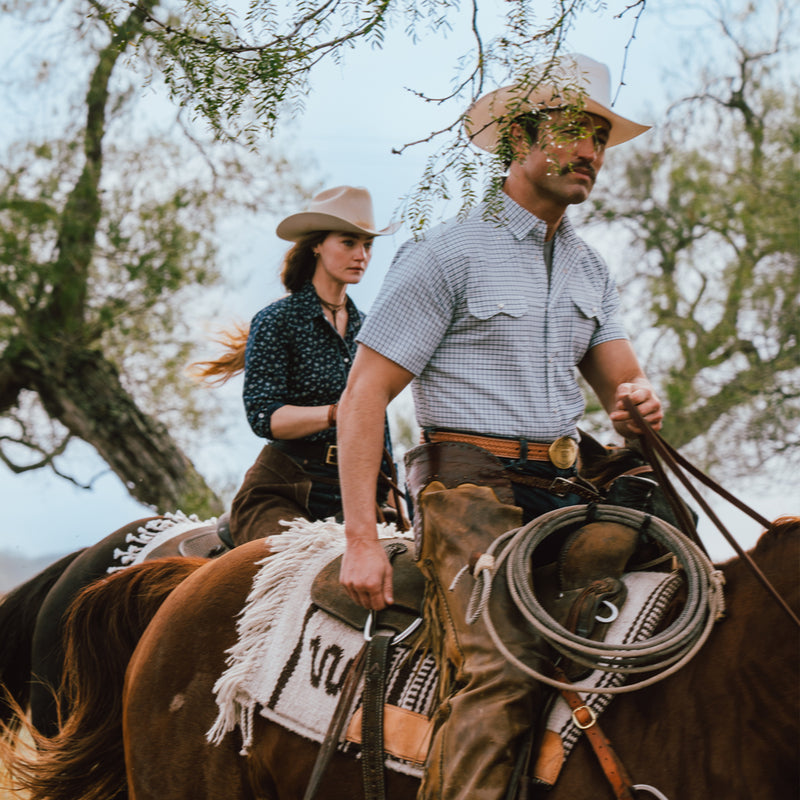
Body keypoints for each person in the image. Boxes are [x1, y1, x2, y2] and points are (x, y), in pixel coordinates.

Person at [336, 54, 663, 799]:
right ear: (519, 138)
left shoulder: (590, 270)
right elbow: (363, 396)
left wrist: (641, 408)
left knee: (687, 588)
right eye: (575, 131)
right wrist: (361, 538)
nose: (590, 153)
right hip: (468, 488)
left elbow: (627, 387)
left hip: (564, 482)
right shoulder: (446, 252)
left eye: (601, 139)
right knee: (503, 663)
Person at [193, 185, 402, 546]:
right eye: (348, 243)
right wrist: (338, 413)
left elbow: (378, 422)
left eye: (367, 245)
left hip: (357, 489)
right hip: (284, 488)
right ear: (317, 244)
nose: (362, 255)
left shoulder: (369, 329)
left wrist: (391, 497)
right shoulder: (277, 320)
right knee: (289, 568)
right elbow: (264, 417)